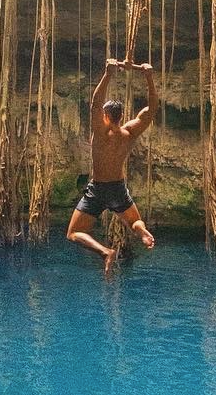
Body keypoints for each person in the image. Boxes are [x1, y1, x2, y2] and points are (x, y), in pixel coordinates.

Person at [66, 57, 158, 270]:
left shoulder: (100, 133)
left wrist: (108, 74)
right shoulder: (129, 133)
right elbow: (151, 109)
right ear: (121, 116)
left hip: (98, 189)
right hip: (118, 188)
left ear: (105, 116)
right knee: (135, 223)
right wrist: (149, 77)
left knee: (73, 233)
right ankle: (143, 231)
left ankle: (105, 252)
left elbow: (96, 102)